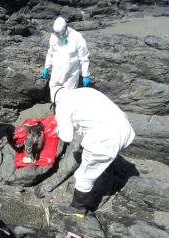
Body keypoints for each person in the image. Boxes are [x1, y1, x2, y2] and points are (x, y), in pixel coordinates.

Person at [54, 87, 135, 218]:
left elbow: (67, 137)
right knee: (105, 156)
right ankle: (106, 169)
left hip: (106, 137)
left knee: (84, 175)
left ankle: (78, 208)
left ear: (56, 100)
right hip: (125, 129)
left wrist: (58, 130)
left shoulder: (62, 105)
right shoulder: (87, 91)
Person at [41, 16, 90, 100]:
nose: (58, 35)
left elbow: (84, 58)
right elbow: (50, 53)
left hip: (71, 75)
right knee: (54, 94)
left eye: (60, 33)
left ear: (65, 28)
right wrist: (46, 67)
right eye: (56, 33)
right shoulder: (53, 36)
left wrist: (85, 74)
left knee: (68, 98)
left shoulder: (77, 37)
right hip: (56, 72)